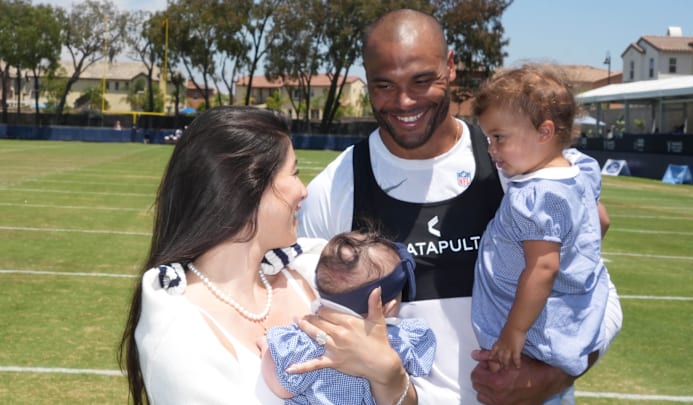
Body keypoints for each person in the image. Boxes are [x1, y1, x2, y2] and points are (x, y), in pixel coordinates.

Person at [296, 8, 623, 405]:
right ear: (367, 82)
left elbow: (593, 294)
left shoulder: (519, 167)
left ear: (450, 67)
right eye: (384, 85)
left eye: (421, 80)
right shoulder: (336, 186)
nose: (404, 101)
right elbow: (305, 322)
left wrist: (552, 377)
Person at [117, 106, 414, 405]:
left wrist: (390, 375)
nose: (303, 190)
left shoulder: (315, 274)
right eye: (294, 173)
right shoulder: (178, 334)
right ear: (246, 185)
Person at [471, 64, 613, 404]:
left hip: (533, 339)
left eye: (499, 138)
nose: (491, 149)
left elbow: (542, 268)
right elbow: (602, 222)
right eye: (488, 139)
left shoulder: (535, 195)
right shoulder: (579, 169)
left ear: (544, 132)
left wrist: (514, 332)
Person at [259, 230, 436, 404]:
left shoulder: (309, 343)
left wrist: (267, 346)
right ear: (388, 307)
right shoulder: (402, 340)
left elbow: (282, 387)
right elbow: (419, 376)